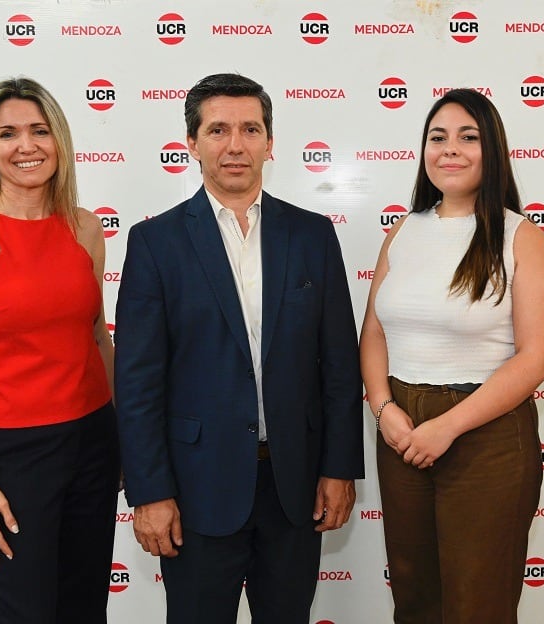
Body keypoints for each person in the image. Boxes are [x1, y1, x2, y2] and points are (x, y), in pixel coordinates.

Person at [114, 73, 364, 624]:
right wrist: (149, 493)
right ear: (192, 143)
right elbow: (136, 384)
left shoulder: (313, 236)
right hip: (195, 490)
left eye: (250, 129)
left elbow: (340, 367)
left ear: (270, 143)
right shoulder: (154, 243)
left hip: (294, 487)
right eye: (218, 130)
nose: (235, 145)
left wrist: (339, 467)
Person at [360, 88, 544, 623]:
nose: (450, 150)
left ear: (491, 149)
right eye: (438, 137)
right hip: (400, 428)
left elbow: (538, 357)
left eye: (468, 137)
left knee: (478, 604)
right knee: (414, 595)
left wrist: (446, 428)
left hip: (486, 434)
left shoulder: (521, 237)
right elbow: (374, 332)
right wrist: (384, 410)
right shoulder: (404, 230)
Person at [0, 77, 119, 622]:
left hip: (93, 442)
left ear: (59, 141)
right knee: (27, 611)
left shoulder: (85, 228)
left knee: (86, 607)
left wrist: (120, 435)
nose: (26, 145)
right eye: (7, 134)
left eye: (39, 130)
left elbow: (96, 335)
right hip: (15, 456)